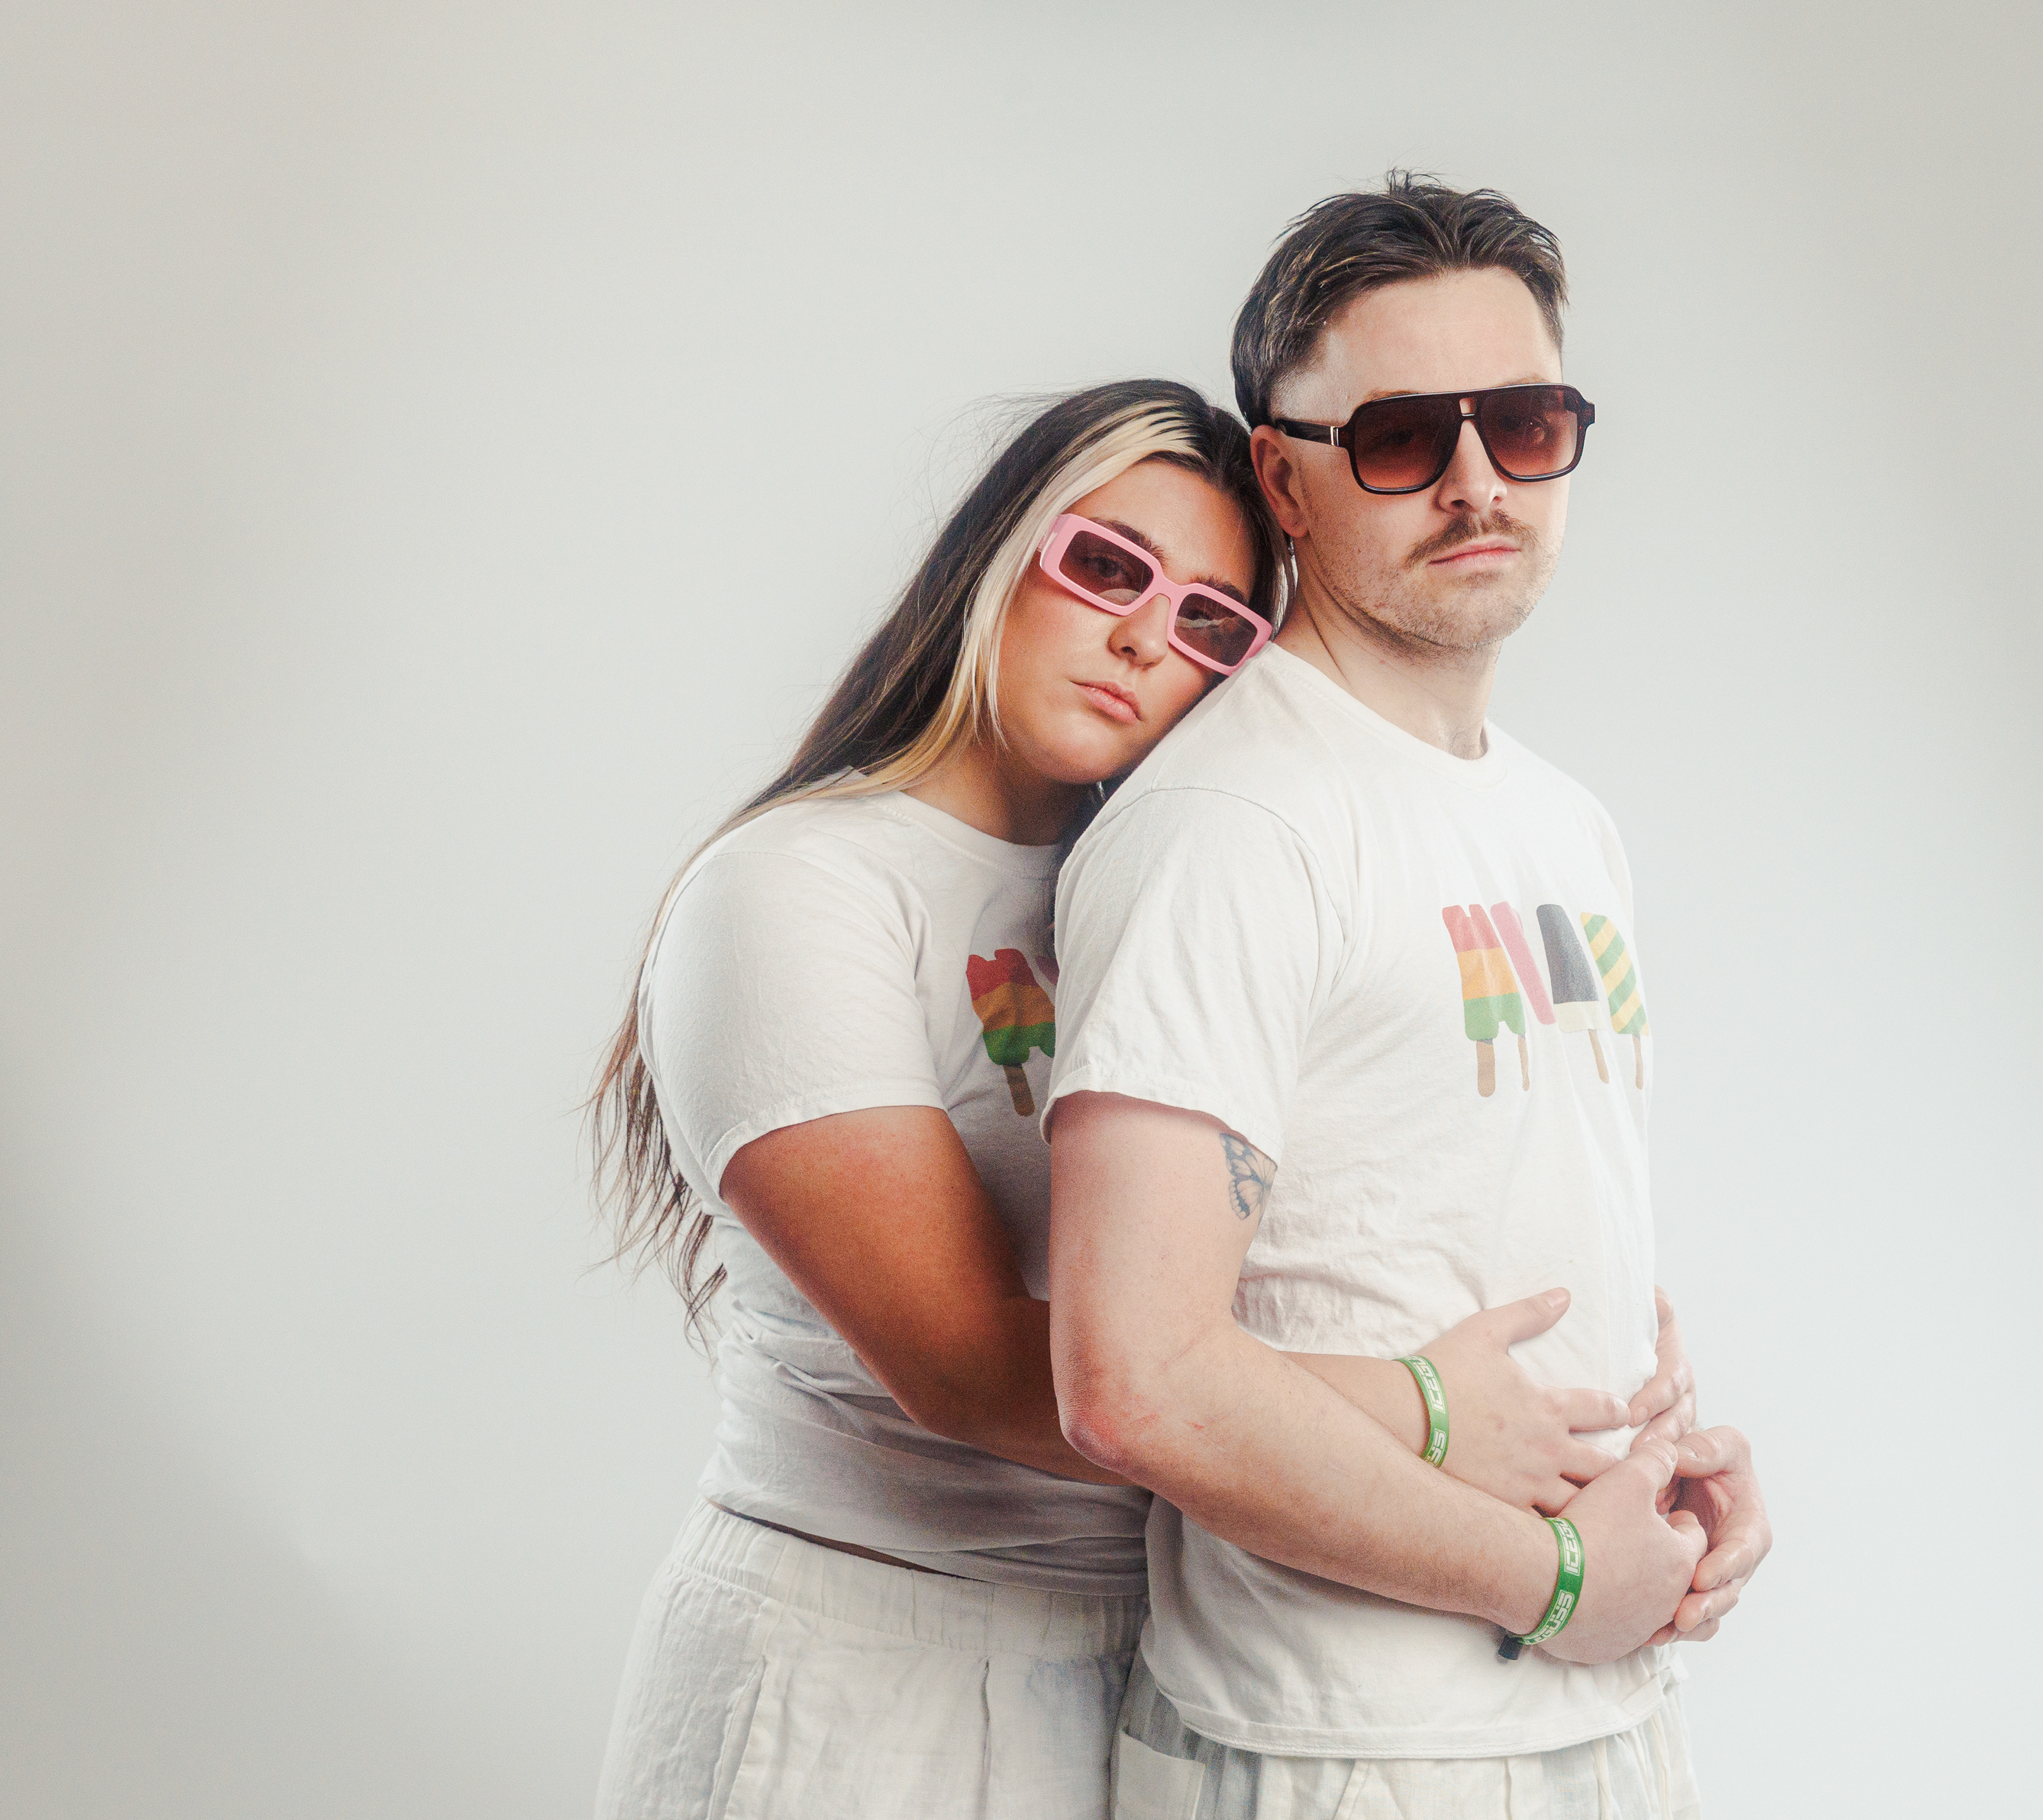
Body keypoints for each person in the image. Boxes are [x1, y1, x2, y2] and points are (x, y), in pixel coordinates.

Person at [587, 379, 1697, 1820]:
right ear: (996, 555)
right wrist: (1427, 1414)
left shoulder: (1161, 884)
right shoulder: (798, 891)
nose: (1142, 639)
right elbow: (975, 1369)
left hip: (1152, 1658)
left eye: (1209, 624)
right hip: (860, 1660)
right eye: (1109, 567)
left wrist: (1628, 1453)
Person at [1045, 179, 1774, 1818]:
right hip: (1342, 1751)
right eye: (1398, 437)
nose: (1475, 483)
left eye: (1524, 424)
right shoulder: (1229, 827)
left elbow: (1477, 1216)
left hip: (1602, 1723)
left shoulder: (1563, 820)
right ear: (1281, 480)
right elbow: (1134, 1378)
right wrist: (1558, 1584)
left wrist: (1666, 1471)